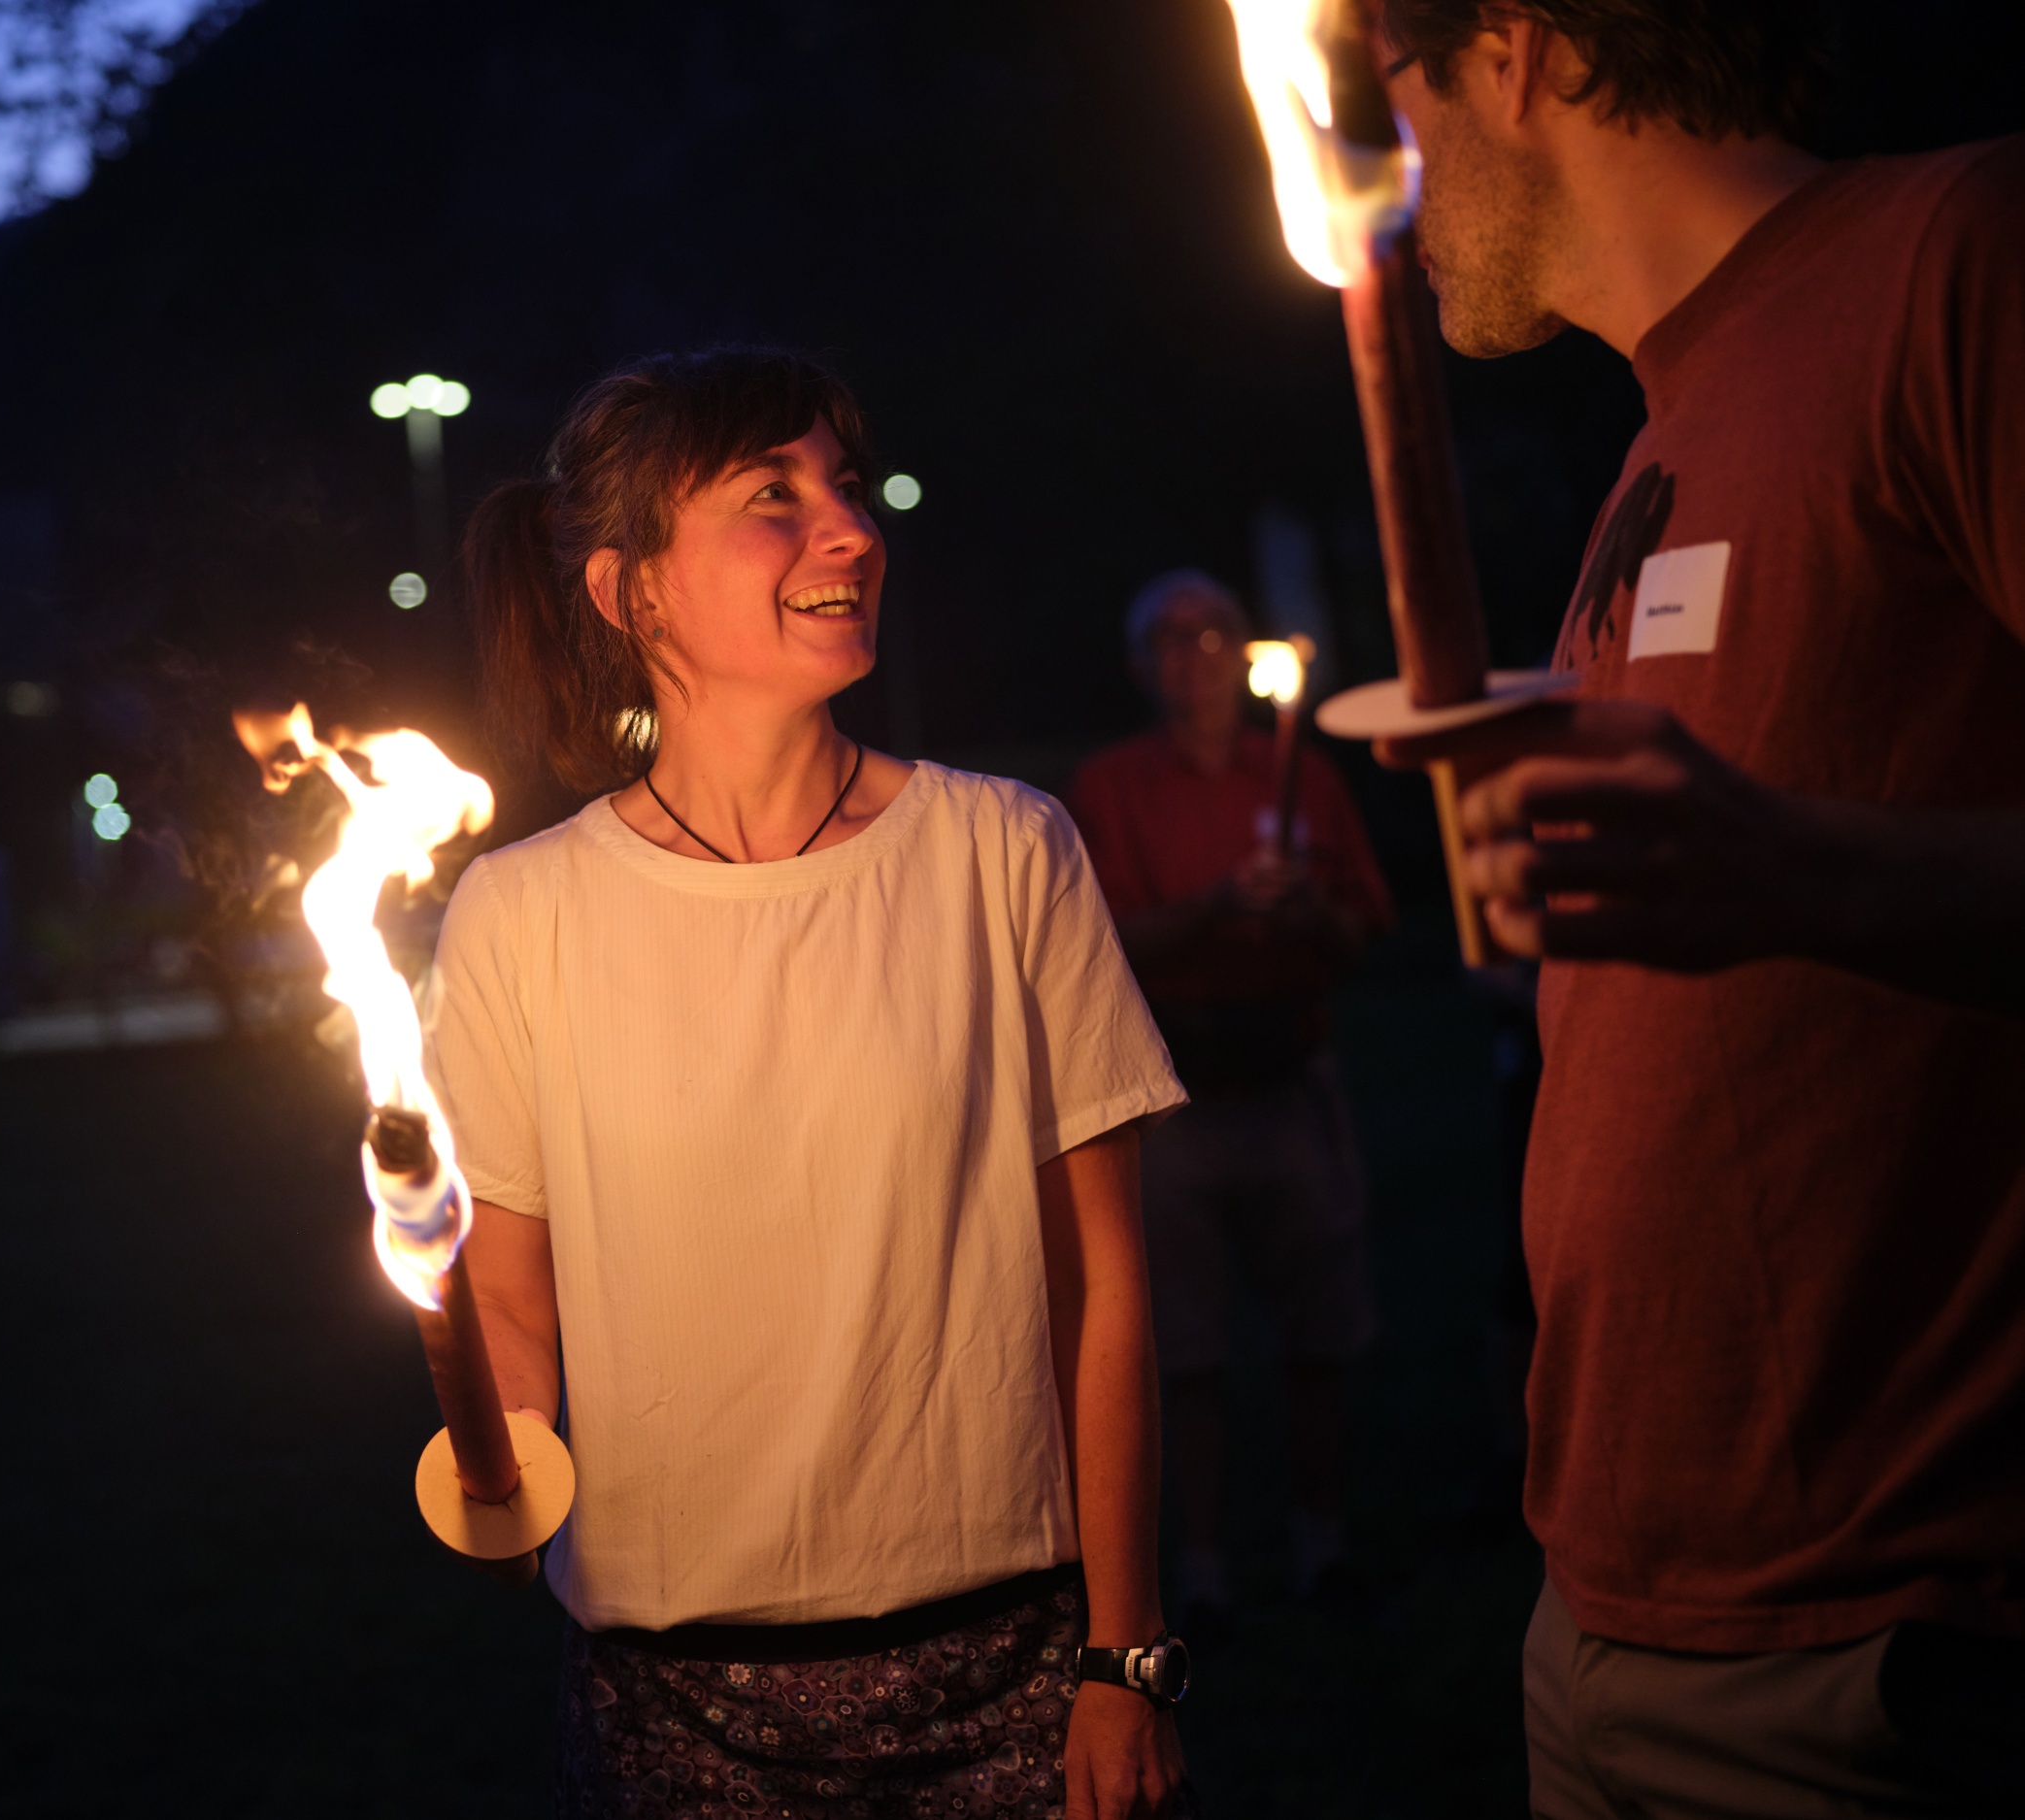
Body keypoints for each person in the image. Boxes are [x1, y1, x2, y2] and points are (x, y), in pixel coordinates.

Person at [1370, 0, 2025, 1809]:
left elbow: (1776, 857)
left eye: (1393, 95)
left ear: (1516, 51)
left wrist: (1791, 866)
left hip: (1886, 1635)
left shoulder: (1956, 256)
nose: (1386, 178)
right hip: (1605, 1596)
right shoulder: (1662, 431)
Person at [427, 348, 1192, 1818]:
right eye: (771, 497)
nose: (850, 530)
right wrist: (495, 1460)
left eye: (845, 487)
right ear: (632, 592)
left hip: (1017, 1675)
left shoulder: (1002, 853)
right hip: (672, 1710)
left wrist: (1126, 1656)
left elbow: (1100, 1283)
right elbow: (510, 1305)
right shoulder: (521, 914)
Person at [1065, 573, 1394, 1638]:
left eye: (1213, 636)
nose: (1193, 657)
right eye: (1169, 640)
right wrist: (1215, 907)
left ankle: (1323, 1539)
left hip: (1291, 1080)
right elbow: (1098, 945)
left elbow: (1360, 936)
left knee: (1318, 1330)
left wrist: (1307, 913)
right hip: (1174, 1098)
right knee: (1183, 1343)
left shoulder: (1303, 777)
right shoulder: (1110, 788)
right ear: (1138, 668)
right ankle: (1199, 1564)